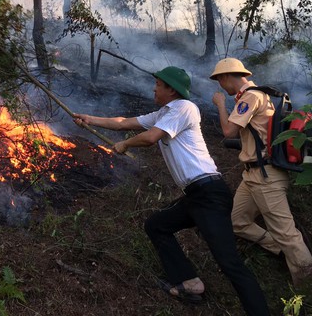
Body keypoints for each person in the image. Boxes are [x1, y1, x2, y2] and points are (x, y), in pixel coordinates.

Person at [74, 66, 270, 316]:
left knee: (229, 263)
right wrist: (90, 119)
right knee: (156, 225)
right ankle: (190, 283)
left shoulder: (184, 108)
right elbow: (124, 123)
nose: (154, 88)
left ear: (171, 89)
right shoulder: (165, 113)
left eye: (157, 84)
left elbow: (150, 138)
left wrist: (126, 144)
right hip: (196, 194)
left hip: (209, 192)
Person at [210, 57, 312, 288]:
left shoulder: (250, 96)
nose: (220, 87)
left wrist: (219, 105)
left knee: (288, 234)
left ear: (227, 77)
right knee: (237, 221)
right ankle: (283, 252)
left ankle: (311, 289)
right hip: (253, 176)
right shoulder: (262, 95)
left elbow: (229, 131)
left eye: (220, 81)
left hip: (265, 177)